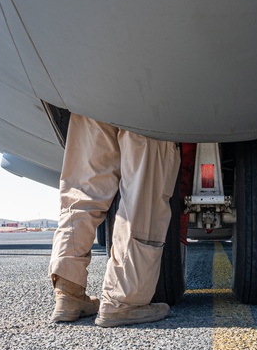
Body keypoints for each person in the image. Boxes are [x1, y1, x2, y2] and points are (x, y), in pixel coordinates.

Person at [48, 113, 180, 326]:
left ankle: (68, 294)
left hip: (85, 93)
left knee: (82, 193)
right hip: (144, 92)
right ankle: (122, 301)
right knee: (141, 194)